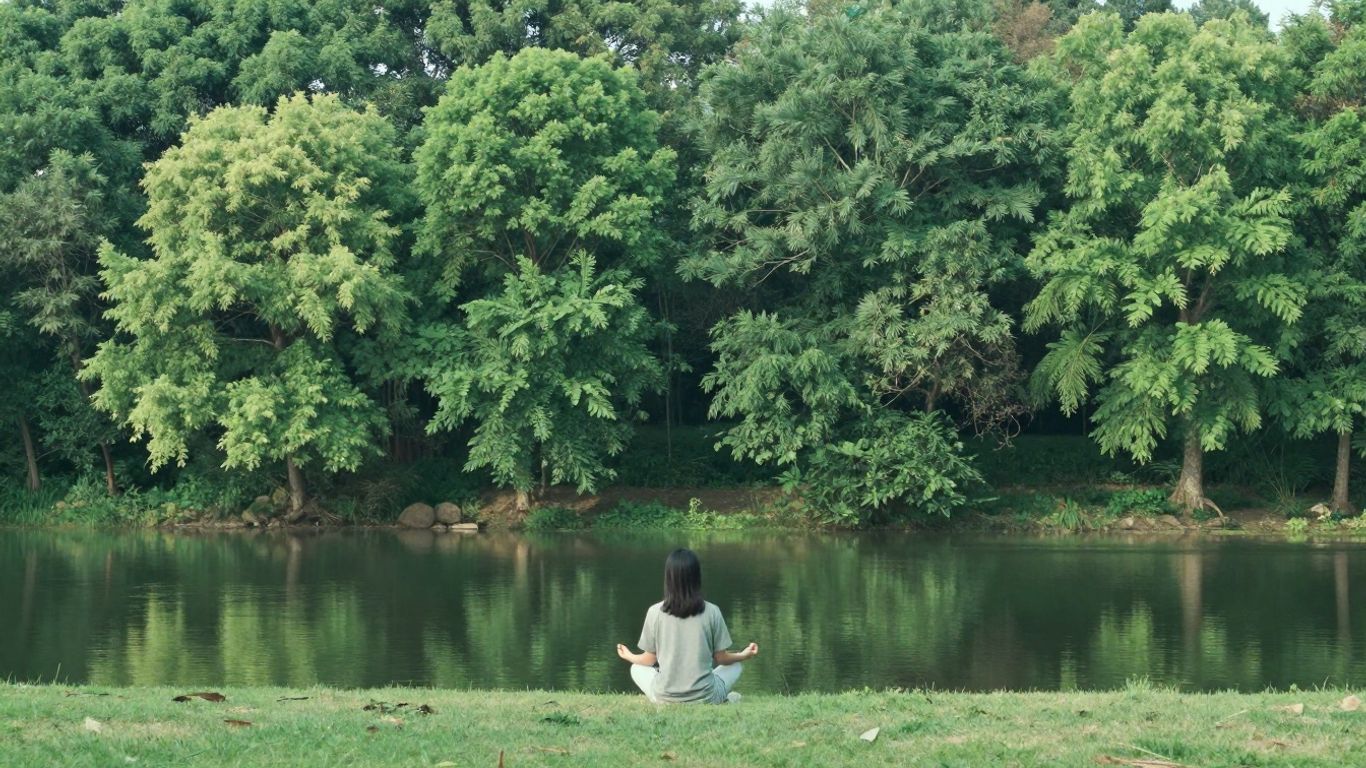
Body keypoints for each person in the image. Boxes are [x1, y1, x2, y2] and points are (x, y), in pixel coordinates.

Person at [615, 548, 759, 704]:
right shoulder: (712, 611)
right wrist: (744, 655)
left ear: (668, 577)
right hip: (706, 696)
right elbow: (722, 658)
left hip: (665, 696)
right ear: (696, 577)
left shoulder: (654, 612)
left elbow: (649, 660)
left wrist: (628, 656)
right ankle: (723, 699)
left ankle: (663, 699)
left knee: (636, 668)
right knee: (735, 665)